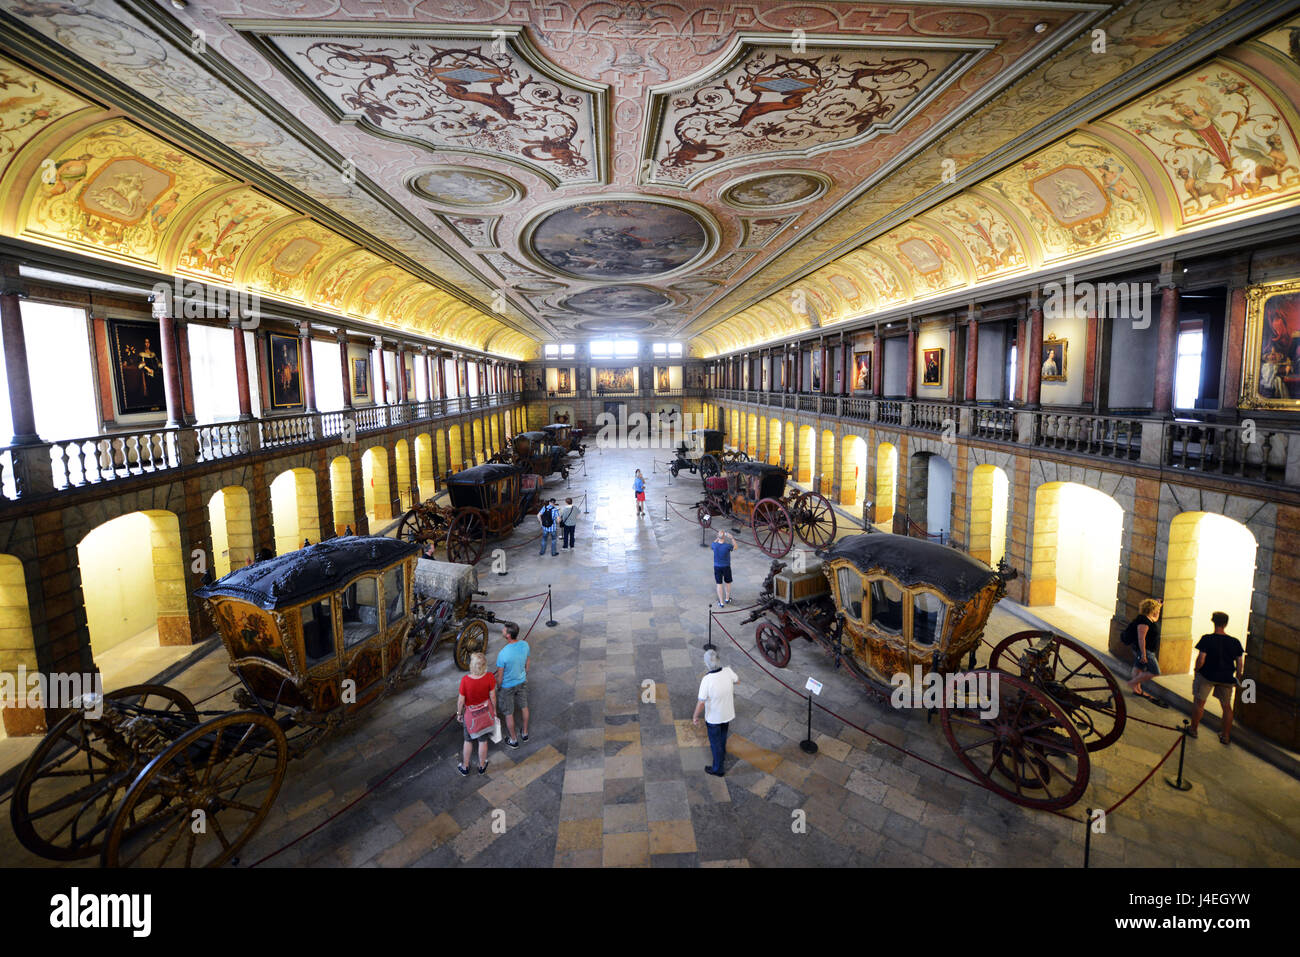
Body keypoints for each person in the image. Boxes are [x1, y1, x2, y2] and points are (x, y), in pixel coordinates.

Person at [1189, 611, 1245, 744]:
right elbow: (1240, 663)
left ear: (1213, 621)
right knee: (1226, 706)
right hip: (1226, 677)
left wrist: (1197, 671)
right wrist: (1237, 677)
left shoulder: (1207, 639)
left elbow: (1201, 658)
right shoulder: (1235, 642)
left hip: (1207, 675)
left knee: (1199, 703)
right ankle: (1225, 736)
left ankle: (1193, 729)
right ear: (1226, 624)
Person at [693, 648, 739, 777]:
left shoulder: (707, 680)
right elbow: (737, 681)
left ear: (706, 664)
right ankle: (722, 754)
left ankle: (718, 769)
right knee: (723, 735)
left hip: (714, 718)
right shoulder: (728, 671)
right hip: (727, 713)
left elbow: (701, 702)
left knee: (715, 743)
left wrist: (695, 716)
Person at [456, 652, 496, 775]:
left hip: (470, 716)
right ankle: (482, 765)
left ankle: (465, 766)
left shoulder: (465, 680)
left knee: (467, 740)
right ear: (484, 666)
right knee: (483, 741)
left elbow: (461, 700)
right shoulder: (489, 677)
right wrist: (494, 710)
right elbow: (493, 696)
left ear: (471, 665)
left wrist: (459, 713)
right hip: (484, 715)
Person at [1122, 598, 1167, 705]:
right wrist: (1143, 654)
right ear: (1152, 610)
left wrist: (1159, 606)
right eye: (1156, 609)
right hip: (1145, 651)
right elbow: (1141, 639)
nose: (1157, 612)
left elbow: (1155, 618)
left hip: (1145, 650)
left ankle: (1137, 690)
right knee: (1155, 672)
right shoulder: (1144, 622)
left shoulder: (1147, 618)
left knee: (1138, 668)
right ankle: (1132, 683)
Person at [494, 621, 530, 748]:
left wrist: (499, 687)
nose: (502, 631)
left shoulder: (503, 654)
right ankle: (525, 733)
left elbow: (500, 676)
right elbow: (527, 664)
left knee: (509, 713)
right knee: (524, 706)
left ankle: (513, 740)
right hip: (521, 681)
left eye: (504, 630)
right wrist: (522, 674)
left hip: (507, 686)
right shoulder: (525, 645)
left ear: (508, 635)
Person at [711, 528, 735, 608]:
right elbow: (736, 547)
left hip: (717, 567)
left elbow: (713, 544)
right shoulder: (727, 546)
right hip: (726, 567)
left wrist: (718, 537)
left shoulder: (714, 545)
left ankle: (721, 603)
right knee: (728, 582)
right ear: (724, 537)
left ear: (718, 536)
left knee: (719, 584)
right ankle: (727, 599)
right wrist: (732, 538)